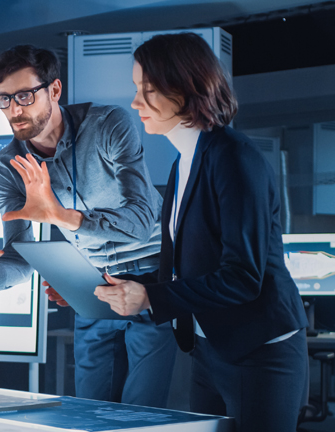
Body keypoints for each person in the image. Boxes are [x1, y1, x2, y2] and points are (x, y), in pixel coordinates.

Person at [94, 33, 308, 432]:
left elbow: (243, 278)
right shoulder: (183, 163)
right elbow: (187, 269)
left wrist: (151, 297)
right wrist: (121, 286)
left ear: (185, 90)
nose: (135, 102)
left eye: (148, 90)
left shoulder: (234, 158)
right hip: (210, 347)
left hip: (260, 352)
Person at [0, 45, 176, 407]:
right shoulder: (9, 166)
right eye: (4, 99)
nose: (15, 109)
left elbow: (140, 221)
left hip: (152, 279)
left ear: (54, 90)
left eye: (24, 95)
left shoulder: (108, 125)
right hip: (91, 286)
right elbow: (19, 259)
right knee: (89, 409)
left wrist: (59, 215)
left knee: (141, 412)